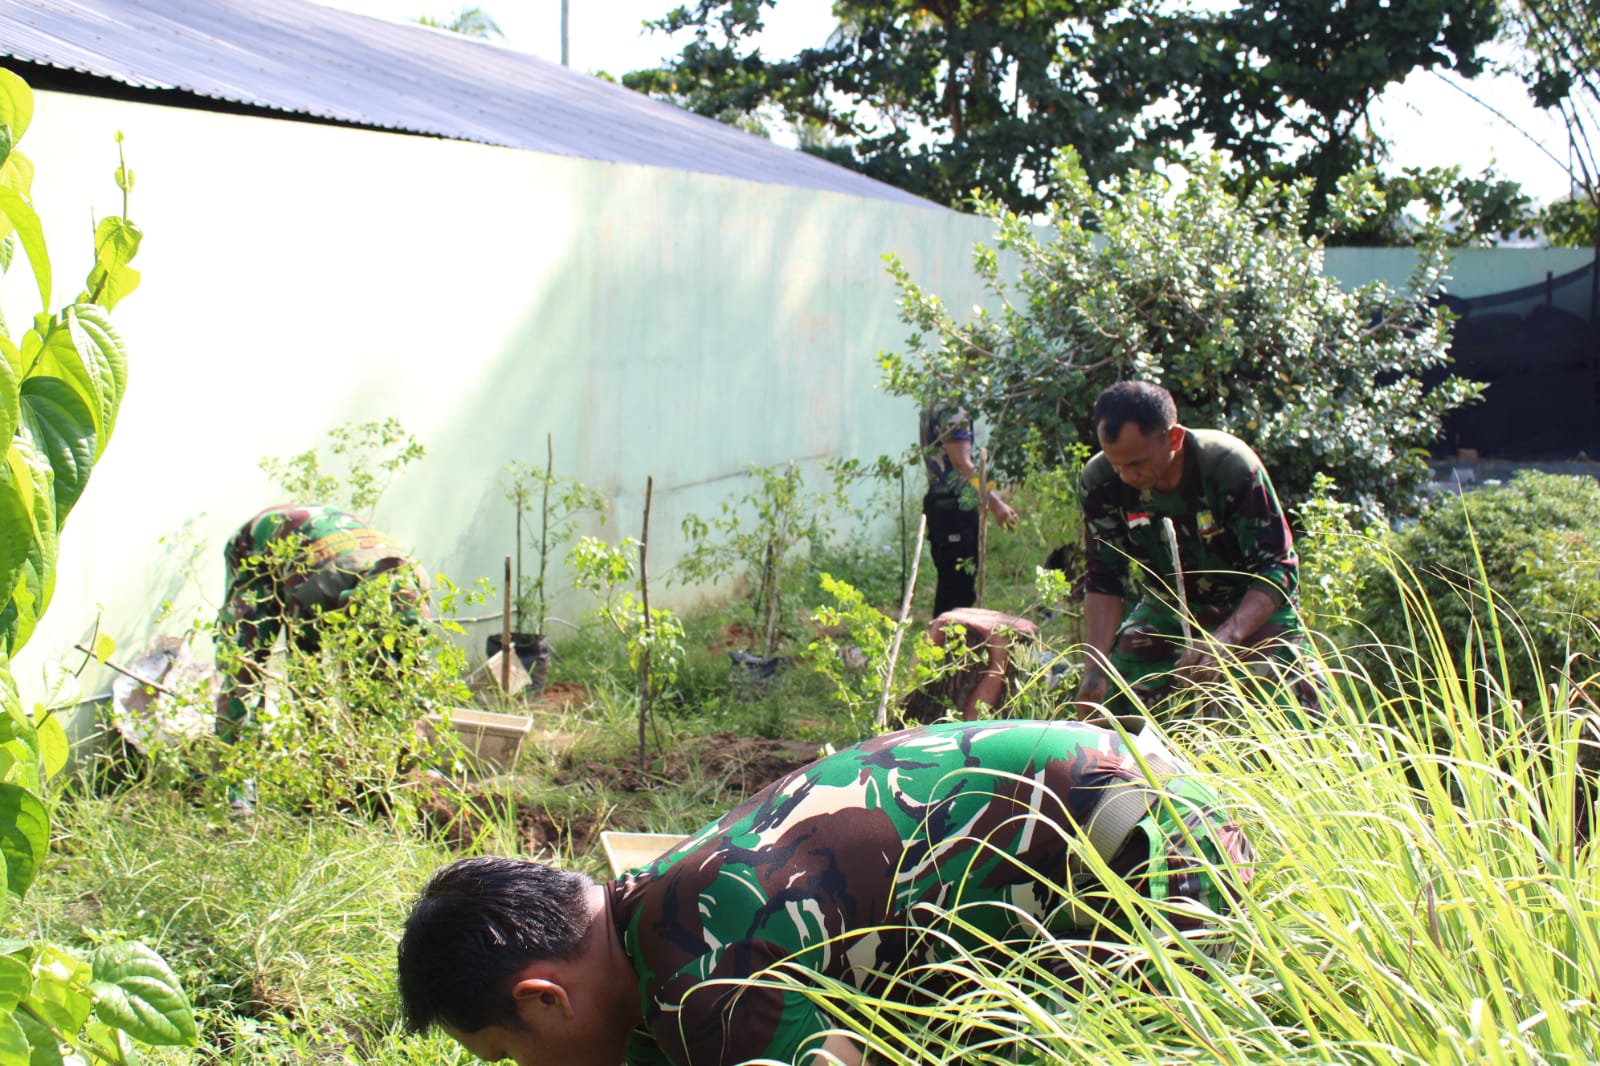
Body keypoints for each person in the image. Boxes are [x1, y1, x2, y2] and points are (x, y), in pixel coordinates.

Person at [397, 719, 1255, 1066]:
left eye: (508, 1059)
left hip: (1163, 860)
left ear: (544, 999)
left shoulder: (703, 971)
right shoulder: (650, 906)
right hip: (1119, 831)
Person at [1073, 381, 1312, 713]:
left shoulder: (1229, 466)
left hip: (1251, 603)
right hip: (1170, 605)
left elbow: (1278, 568)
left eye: (1136, 464)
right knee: (1116, 694)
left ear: (1174, 438)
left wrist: (1228, 636)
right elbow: (1104, 578)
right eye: (1117, 465)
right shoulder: (1100, 483)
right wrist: (1095, 671)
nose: (1125, 476)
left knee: (1295, 702)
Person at [214, 504, 431, 808]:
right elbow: (306, 685)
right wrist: (331, 765)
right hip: (260, 548)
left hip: (337, 552)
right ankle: (234, 788)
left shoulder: (414, 588)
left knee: (374, 682)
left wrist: (405, 755)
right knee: (246, 667)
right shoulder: (316, 594)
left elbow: (411, 687)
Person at [919, 398, 1018, 616]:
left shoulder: (934, 401)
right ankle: (947, 647)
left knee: (953, 588)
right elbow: (962, 464)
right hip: (954, 506)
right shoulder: (953, 408)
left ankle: (945, 646)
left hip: (942, 505)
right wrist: (996, 503)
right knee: (957, 593)